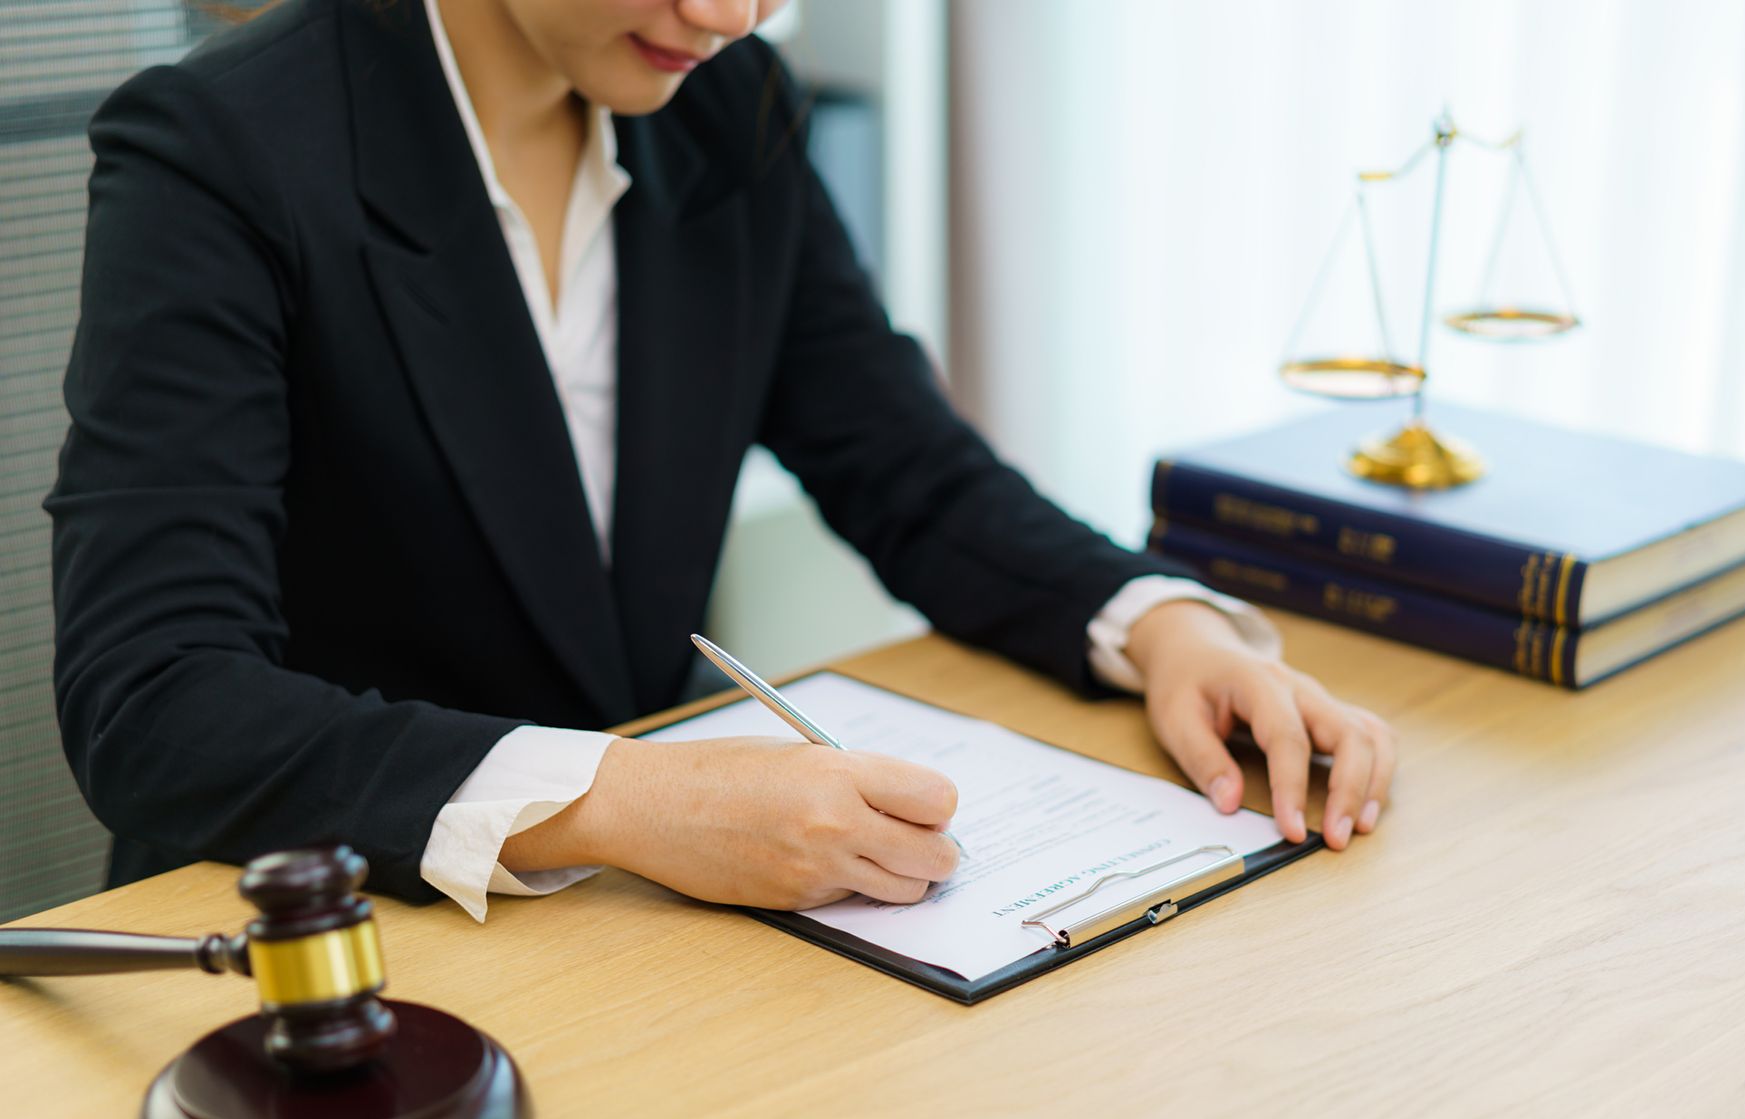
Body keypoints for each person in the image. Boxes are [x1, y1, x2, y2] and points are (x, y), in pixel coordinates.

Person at [47, 0, 1395, 922]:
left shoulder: (727, 107)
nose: (731, 10)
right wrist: (621, 798)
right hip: (325, 936)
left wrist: (1162, 628)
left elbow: (903, 466)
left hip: (648, 941)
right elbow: (155, 700)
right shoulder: (218, 151)